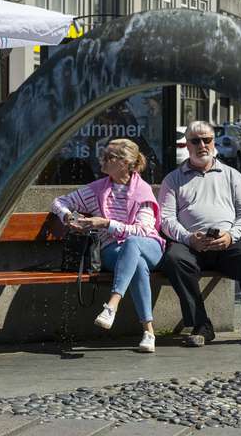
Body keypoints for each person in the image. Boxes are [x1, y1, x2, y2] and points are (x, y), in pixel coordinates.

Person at [158, 120, 241, 347]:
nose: (202, 145)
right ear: (187, 145)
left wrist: (231, 236)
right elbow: (166, 219)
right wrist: (188, 238)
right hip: (190, 243)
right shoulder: (173, 179)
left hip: (227, 241)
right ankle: (201, 325)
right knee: (174, 260)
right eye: (195, 141)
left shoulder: (232, 175)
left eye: (206, 140)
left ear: (213, 142)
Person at [51, 138, 164, 353]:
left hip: (149, 246)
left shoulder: (143, 192)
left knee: (133, 244)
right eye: (102, 155)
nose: (101, 159)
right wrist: (68, 218)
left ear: (125, 162)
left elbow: (142, 231)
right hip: (113, 251)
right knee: (137, 264)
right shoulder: (97, 190)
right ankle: (148, 332)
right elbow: (59, 202)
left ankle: (112, 304)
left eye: (108, 157)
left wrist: (105, 223)